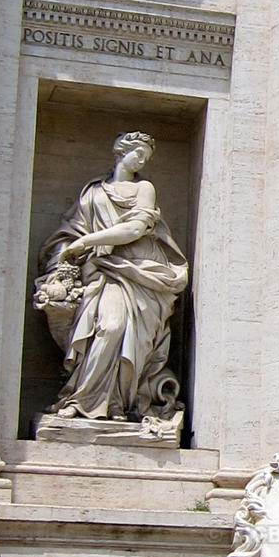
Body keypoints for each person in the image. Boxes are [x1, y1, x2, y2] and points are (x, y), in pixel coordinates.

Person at [34, 133, 189, 424]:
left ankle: (117, 402)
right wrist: (67, 256)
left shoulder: (144, 188)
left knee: (119, 329)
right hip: (100, 271)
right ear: (121, 152)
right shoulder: (93, 193)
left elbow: (134, 230)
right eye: (138, 153)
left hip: (139, 273)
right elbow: (70, 234)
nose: (142, 160)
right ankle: (82, 399)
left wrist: (87, 242)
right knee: (106, 328)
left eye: (146, 156)